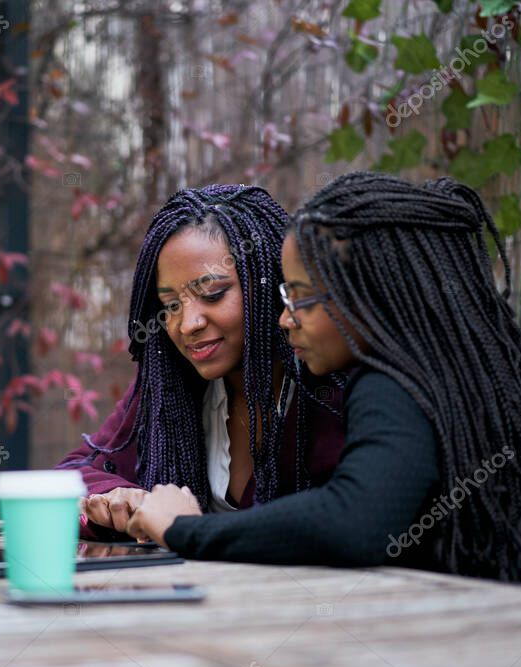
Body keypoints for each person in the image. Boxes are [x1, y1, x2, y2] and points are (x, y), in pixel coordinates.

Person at [127, 172, 521, 592]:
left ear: (370, 294)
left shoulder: (392, 385)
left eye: (302, 298)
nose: (285, 319)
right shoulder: (453, 370)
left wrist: (184, 529)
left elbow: (355, 519)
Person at [55, 184, 346, 539]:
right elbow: (69, 476)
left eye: (212, 294)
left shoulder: (333, 388)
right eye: (170, 305)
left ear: (270, 283)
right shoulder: (172, 386)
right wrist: (116, 497)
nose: (187, 324)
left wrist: (189, 529)